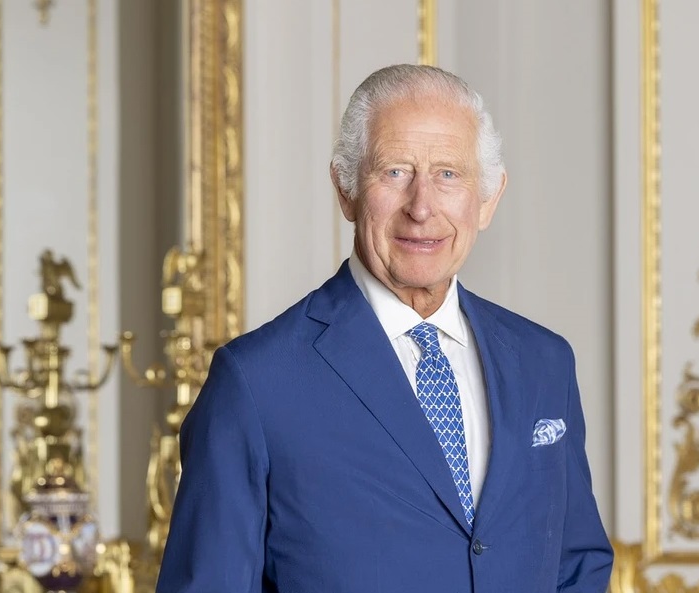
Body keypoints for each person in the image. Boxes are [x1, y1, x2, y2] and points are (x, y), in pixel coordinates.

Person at [157, 64, 613, 592]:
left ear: (488, 199)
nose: (422, 207)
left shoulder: (544, 363)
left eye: (449, 175)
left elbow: (577, 567)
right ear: (345, 189)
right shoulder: (256, 383)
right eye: (395, 172)